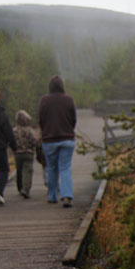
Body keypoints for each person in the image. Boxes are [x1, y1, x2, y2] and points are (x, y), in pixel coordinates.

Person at [38, 75, 77, 207]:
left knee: (52, 168)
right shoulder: (69, 99)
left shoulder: (44, 100)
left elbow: (41, 119)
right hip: (67, 138)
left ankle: (52, 196)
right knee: (65, 167)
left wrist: (45, 131)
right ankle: (66, 196)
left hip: (49, 139)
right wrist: (69, 130)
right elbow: (73, 119)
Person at [12, 109, 40, 198]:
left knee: (19, 171)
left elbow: (11, 141)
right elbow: (35, 141)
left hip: (18, 154)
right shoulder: (30, 130)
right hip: (29, 153)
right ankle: (26, 189)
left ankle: (20, 187)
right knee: (27, 171)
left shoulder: (14, 131)